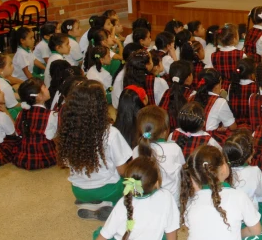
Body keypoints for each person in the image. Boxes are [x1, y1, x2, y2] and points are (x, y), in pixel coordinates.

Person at [59, 156, 183, 240]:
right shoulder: (167, 197)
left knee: (99, 233)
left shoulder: (124, 203)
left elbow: (105, 234)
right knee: (164, 237)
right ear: (156, 182)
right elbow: (171, 230)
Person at [57, 81, 133, 221]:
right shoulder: (110, 133)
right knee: (132, 181)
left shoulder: (67, 131)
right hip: (108, 190)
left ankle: (89, 202)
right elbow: (123, 171)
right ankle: (109, 204)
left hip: (78, 190)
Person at [132, 106, 185, 201]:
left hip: (145, 199)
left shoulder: (136, 150)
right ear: (165, 132)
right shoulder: (174, 149)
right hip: (172, 200)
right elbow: (183, 170)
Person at [12, 78, 58, 170]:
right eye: (44, 87)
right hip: (45, 155)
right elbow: (51, 136)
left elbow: (18, 133)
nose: (47, 89)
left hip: (23, 155)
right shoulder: (51, 115)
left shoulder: (21, 113)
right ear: (39, 96)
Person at [223, 129, 262, 220]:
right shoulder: (255, 172)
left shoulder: (220, 173)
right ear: (250, 155)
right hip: (248, 218)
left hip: (226, 216)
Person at [211, 24, 244, 91]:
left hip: (221, 88)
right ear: (235, 39)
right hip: (237, 87)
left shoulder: (214, 55)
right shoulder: (241, 54)